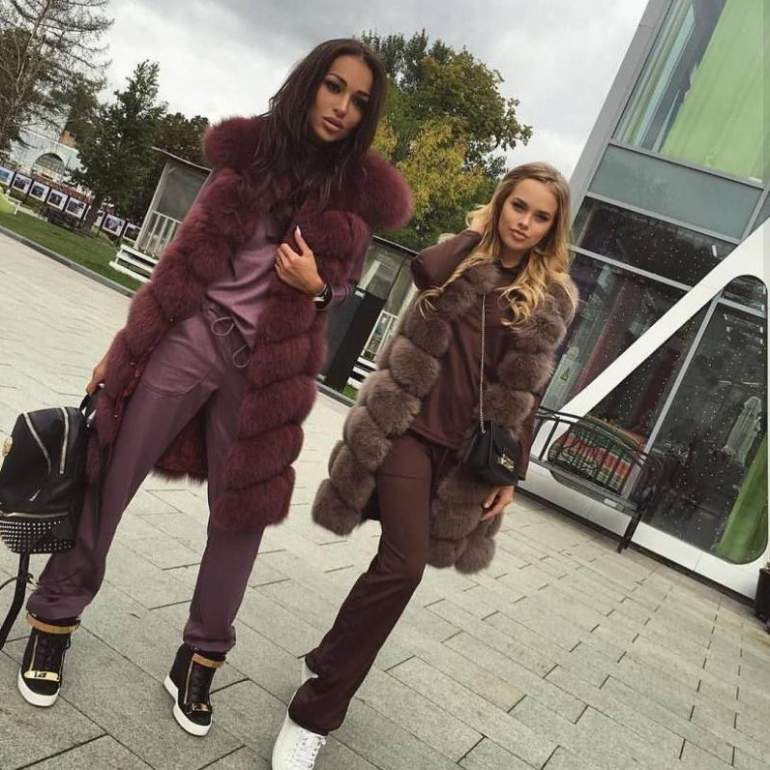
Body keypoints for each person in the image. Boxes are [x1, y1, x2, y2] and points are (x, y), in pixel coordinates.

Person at [15, 38, 412, 737]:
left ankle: (199, 659)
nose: (342, 108)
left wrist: (316, 287)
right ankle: (54, 618)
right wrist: (121, 349)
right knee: (110, 471)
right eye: (333, 87)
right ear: (309, 84)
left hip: (268, 370)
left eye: (358, 101)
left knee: (242, 515)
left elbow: (343, 288)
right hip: (193, 334)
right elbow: (181, 256)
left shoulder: (355, 197)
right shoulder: (249, 156)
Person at [272, 162, 578, 769]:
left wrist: (510, 476)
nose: (525, 223)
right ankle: (312, 716)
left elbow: (530, 392)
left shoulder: (552, 298)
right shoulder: (458, 257)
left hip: (467, 455)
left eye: (541, 217)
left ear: (553, 227)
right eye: (518, 206)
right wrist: (478, 237)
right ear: (501, 203)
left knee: (393, 567)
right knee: (404, 566)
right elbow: (424, 272)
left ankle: (329, 657)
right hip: (407, 428)